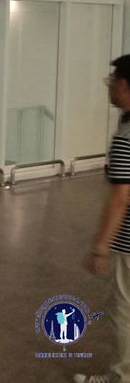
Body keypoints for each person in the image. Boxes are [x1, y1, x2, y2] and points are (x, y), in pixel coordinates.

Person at [76, 54, 130, 383]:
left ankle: (122, 377)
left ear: (124, 85)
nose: (109, 87)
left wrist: (100, 248)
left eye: (112, 81)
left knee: (123, 311)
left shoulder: (126, 136)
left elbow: (121, 198)